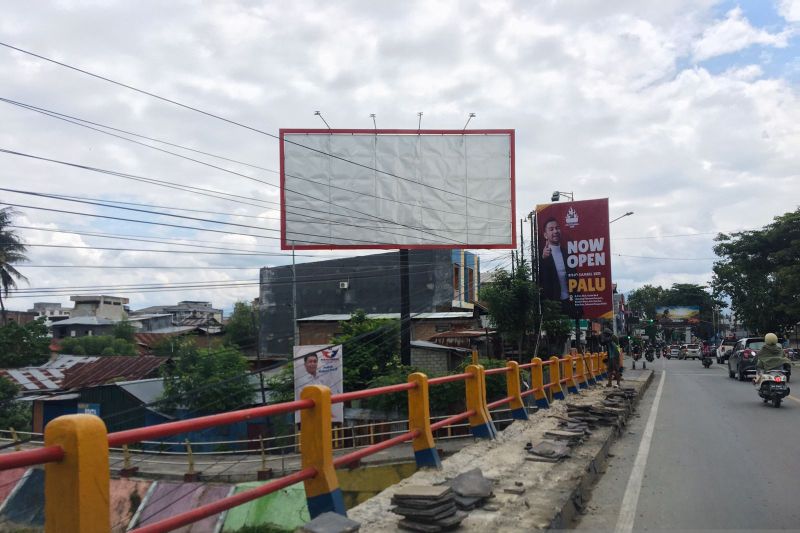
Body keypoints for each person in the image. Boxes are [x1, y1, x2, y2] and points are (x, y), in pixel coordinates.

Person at [539, 217, 581, 318]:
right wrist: (543, 258)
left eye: (557, 228)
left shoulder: (567, 253)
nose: (555, 231)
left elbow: (575, 279)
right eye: (551, 229)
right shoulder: (543, 256)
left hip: (570, 303)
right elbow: (542, 281)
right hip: (553, 306)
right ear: (545, 235)